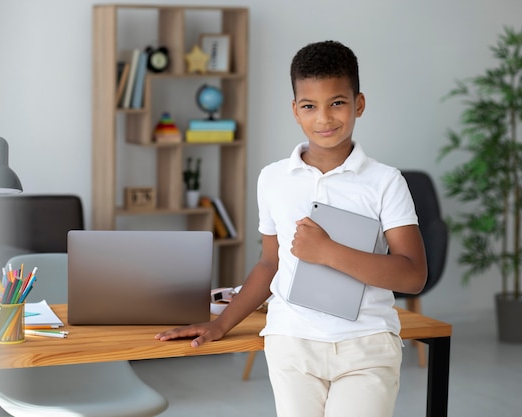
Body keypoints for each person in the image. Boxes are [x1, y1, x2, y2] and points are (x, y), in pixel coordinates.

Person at [155, 40, 427, 417]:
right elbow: (269, 264)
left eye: (338, 103)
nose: (324, 118)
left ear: (359, 104)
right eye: (309, 106)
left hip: (366, 342)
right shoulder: (272, 179)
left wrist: (328, 252)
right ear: (295, 111)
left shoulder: (386, 182)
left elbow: (412, 275)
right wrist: (221, 325)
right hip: (292, 343)